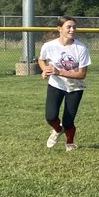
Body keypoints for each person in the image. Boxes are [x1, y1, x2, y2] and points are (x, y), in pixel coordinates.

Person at [37, 16, 91, 151]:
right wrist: (45, 70)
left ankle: (70, 143)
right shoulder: (49, 46)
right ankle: (57, 130)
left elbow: (82, 74)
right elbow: (41, 60)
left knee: (68, 121)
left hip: (75, 87)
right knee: (50, 117)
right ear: (59, 29)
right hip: (56, 85)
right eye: (69, 27)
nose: (72, 30)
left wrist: (58, 71)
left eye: (74, 27)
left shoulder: (81, 48)